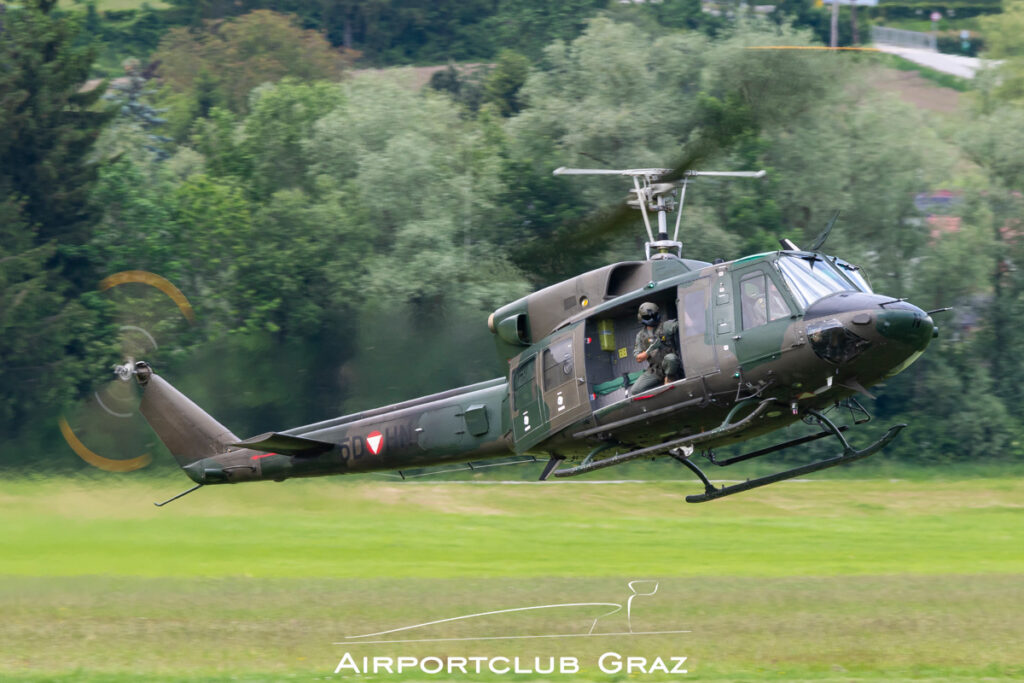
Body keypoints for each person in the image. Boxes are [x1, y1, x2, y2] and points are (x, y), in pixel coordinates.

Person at [629, 302, 681, 395]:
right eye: (648, 317)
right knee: (635, 390)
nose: (652, 319)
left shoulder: (666, 326)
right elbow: (638, 358)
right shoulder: (640, 336)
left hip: (670, 365)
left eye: (654, 315)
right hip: (655, 370)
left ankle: (669, 378)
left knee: (671, 358)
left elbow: (682, 324)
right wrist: (650, 350)